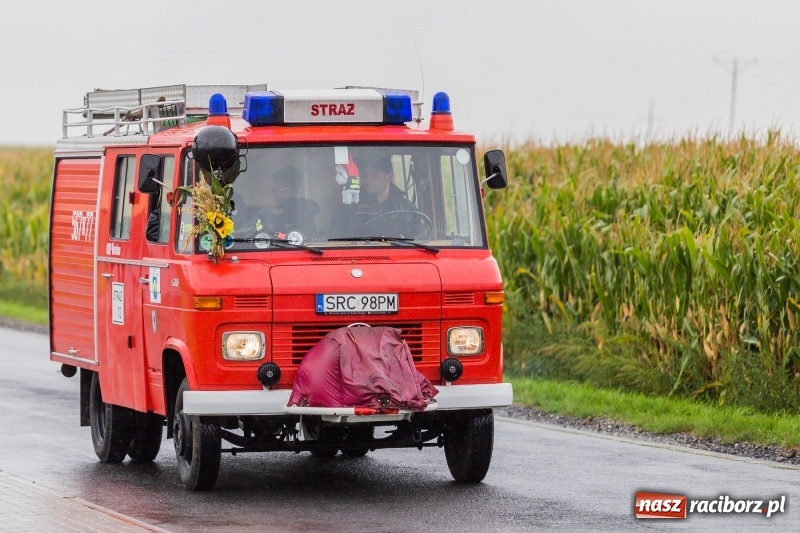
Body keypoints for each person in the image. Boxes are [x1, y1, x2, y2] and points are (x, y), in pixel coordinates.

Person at [328, 154, 424, 239]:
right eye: (365, 175)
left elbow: (420, 243)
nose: (368, 180)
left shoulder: (408, 210)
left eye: (375, 175)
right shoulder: (346, 208)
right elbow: (334, 242)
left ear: (389, 177)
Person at [234, 166, 319, 237]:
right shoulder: (268, 212)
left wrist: (283, 211)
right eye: (272, 190)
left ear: (292, 191)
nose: (273, 194)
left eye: (277, 190)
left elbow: (315, 207)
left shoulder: (304, 209)